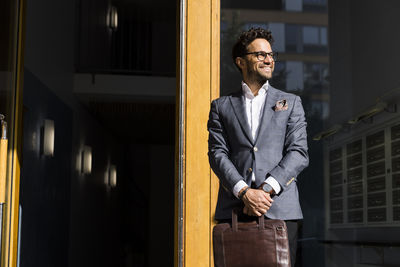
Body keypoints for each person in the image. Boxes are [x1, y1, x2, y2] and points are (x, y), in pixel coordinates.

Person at [207, 27, 309, 266]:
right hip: (235, 210)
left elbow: (299, 152)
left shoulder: (291, 103)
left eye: (271, 55)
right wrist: (244, 192)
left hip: (280, 211)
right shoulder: (221, 106)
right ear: (241, 61)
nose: (268, 59)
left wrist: (265, 190)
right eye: (260, 54)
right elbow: (217, 153)